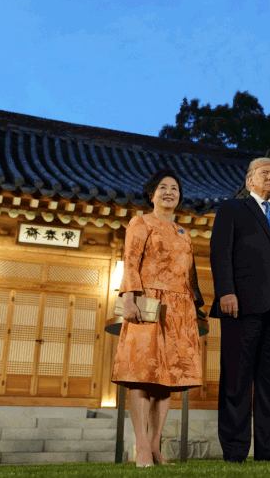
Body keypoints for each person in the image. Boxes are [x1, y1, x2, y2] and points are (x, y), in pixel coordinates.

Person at [209, 157, 270, 463]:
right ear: (250, 179)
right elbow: (220, 252)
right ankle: (235, 451)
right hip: (242, 306)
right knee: (236, 380)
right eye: (265, 173)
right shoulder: (232, 209)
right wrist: (226, 290)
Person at [111, 169, 203, 467]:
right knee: (140, 374)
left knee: (166, 381)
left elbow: (190, 275)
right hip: (147, 301)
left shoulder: (183, 233)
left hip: (180, 308)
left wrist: (194, 309)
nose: (169, 192)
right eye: (162, 187)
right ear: (151, 194)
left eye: (174, 188)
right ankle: (140, 448)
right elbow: (130, 260)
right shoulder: (141, 222)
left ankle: (155, 447)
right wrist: (128, 297)